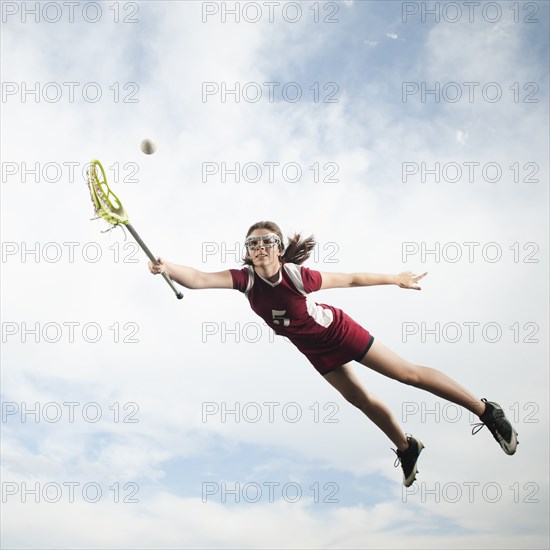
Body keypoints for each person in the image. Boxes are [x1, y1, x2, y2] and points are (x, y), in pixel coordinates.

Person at [149, 221, 518, 486]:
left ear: (278, 248)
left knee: (407, 374)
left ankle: (487, 411)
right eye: (251, 243)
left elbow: (353, 279)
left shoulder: (296, 276)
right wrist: (167, 267)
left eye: (266, 241)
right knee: (361, 399)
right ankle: (407, 447)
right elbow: (197, 278)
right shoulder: (245, 281)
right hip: (312, 349)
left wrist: (395, 278)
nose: (258, 247)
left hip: (338, 332)